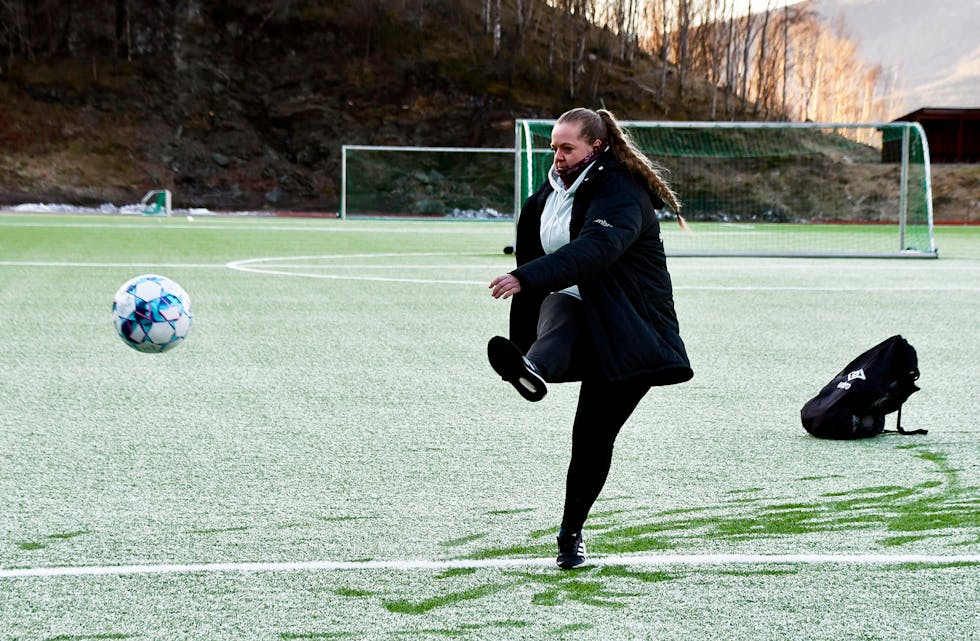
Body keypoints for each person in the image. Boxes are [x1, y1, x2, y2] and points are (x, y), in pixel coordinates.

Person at [488, 107, 693, 570]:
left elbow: (596, 249)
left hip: (628, 329)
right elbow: (538, 249)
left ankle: (571, 533)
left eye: (567, 148)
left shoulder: (621, 190)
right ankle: (533, 369)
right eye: (554, 147)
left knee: (592, 438)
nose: (557, 157)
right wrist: (529, 298)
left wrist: (526, 276)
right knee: (563, 305)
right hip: (578, 312)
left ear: (595, 147)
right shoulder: (550, 192)